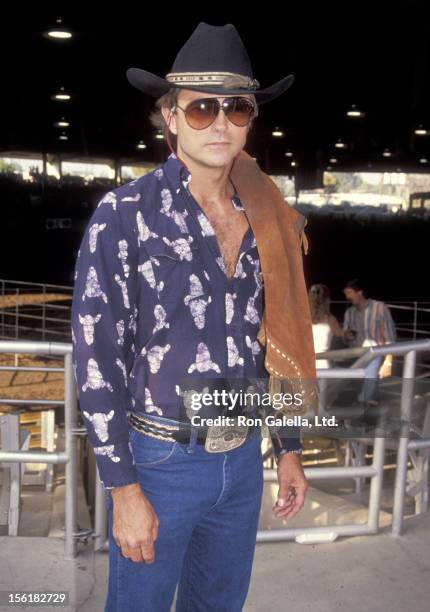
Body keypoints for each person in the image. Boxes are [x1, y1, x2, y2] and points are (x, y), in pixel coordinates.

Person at [71, 22, 317, 612]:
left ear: (251, 119)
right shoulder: (124, 214)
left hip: (241, 462)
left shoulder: (268, 215)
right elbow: (96, 358)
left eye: (237, 108)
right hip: (159, 465)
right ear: (170, 117)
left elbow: (274, 341)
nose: (222, 123)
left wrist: (288, 446)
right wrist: (123, 488)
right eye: (203, 108)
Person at [343, 278, 396, 405]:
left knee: (370, 376)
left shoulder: (379, 308)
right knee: (359, 390)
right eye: (345, 293)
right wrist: (346, 336)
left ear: (359, 292)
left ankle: (367, 404)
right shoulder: (349, 313)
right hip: (356, 355)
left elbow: (390, 336)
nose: (346, 297)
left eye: (349, 293)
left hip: (375, 354)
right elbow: (345, 336)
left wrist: (388, 362)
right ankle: (366, 408)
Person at [308, 284, 344, 368]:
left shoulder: (303, 318)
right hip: (322, 362)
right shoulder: (330, 319)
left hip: (306, 361)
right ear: (326, 300)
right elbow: (341, 336)